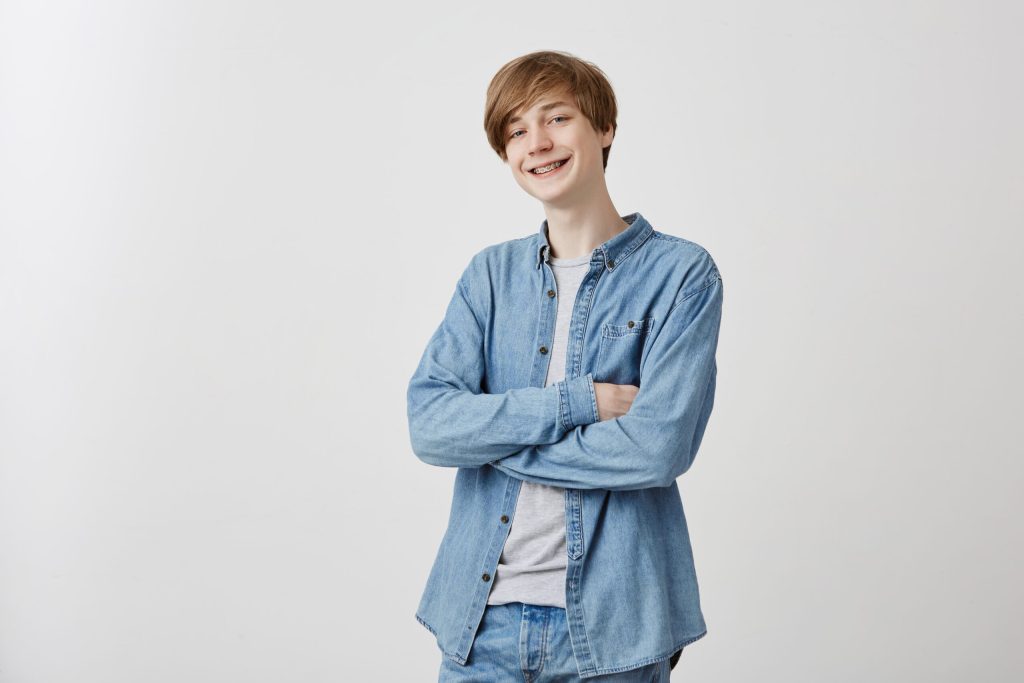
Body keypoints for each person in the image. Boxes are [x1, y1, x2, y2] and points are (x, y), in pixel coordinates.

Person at [407, 49, 723, 681]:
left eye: (556, 118)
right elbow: (432, 426)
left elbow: (655, 450)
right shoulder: (490, 276)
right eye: (516, 131)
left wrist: (493, 442)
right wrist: (579, 403)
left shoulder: (681, 275)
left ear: (604, 128)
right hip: (480, 625)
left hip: (614, 630)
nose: (538, 144)